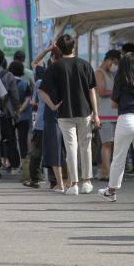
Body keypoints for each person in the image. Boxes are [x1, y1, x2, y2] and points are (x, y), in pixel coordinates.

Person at [40, 34, 100, 196]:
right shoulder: (85, 65)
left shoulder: (54, 67)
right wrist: (96, 114)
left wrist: (53, 106)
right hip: (84, 111)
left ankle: (73, 184)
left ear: (58, 48)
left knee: (71, 147)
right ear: (74, 47)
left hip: (64, 113)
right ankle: (87, 181)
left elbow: (42, 91)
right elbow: (91, 91)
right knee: (85, 146)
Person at [98, 54, 134, 204]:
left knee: (119, 157)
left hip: (126, 119)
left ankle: (111, 191)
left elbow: (113, 105)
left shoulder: (121, 80)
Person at [36, 45, 66, 192]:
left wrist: (47, 49)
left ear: (53, 57)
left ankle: (58, 183)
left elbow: (34, 63)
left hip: (52, 115)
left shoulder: (47, 72)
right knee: (69, 149)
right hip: (69, 113)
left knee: (54, 148)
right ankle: (70, 182)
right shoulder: (68, 71)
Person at [0, 49, 21, 172]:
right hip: (5, 112)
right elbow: (14, 95)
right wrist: (16, 110)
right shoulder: (8, 75)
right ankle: (14, 164)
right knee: (10, 138)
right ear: (3, 60)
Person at [95, 49, 121, 181]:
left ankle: (106, 171)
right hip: (104, 114)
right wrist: (117, 92)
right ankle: (107, 172)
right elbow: (101, 91)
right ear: (109, 59)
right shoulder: (99, 72)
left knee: (111, 143)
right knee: (107, 143)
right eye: (114, 62)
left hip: (113, 114)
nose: (115, 65)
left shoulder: (110, 74)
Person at [8, 61, 32, 160]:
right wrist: (20, 110)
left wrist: (13, 111)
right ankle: (24, 161)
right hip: (24, 116)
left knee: (10, 139)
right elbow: (28, 99)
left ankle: (11, 162)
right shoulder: (25, 84)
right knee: (23, 140)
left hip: (9, 116)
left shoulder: (7, 84)